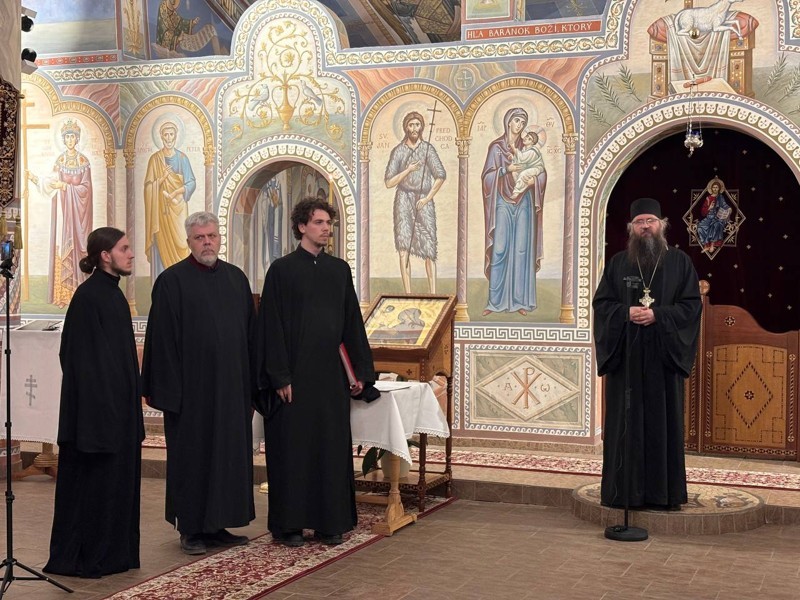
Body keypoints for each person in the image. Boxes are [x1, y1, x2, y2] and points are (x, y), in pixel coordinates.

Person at [257, 198, 375, 548]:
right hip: (294, 380)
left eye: (329, 223)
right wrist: (279, 376)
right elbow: (271, 327)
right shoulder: (281, 270)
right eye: (319, 222)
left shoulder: (339, 270)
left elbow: (351, 322)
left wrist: (360, 372)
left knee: (330, 449)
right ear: (301, 226)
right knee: (292, 451)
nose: (326, 228)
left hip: (330, 380)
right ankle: (289, 525)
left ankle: (330, 522)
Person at [142, 211, 255, 555]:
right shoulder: (172, 281)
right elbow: (161, 341)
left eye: (212, 236)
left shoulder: (236, 279)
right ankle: (191, 528)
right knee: (193, 460)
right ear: (188, 241)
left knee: (226, 457)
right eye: (200, 238)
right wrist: (169, 393)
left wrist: (251, 386)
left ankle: (218, 524)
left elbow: (251, 336)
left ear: (220, 238)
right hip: (191, 394)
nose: (207, 243)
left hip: (231, 390)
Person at [44, 227, 143, 578]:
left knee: (116, 488)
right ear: (105, 255)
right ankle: (88, 557)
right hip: (97, 420)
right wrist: (105, 415)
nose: (131, 254)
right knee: (95, 489)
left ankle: (114, 555)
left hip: (117, 415)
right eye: (124, 248)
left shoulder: (112, 294)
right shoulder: (88, 297)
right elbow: (81, 362)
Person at [592, 197, 702, 511]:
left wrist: (658, 315)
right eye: (639, 222)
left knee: (661, 426)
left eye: (650, 221)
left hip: (662, 359)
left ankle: (662, 495)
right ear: (631, 228)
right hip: (626, 359)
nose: (645, 227)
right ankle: (623, 494)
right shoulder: (617, 264)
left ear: (661, 225)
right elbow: (602, 305)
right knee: (625, 425)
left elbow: (691, 306)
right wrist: (626, 312)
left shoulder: (680, 262)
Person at [481, 107, 546, 316]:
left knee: (521, 250)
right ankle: (495, 302)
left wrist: (535, 180)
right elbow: (486, 177)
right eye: (517, 120)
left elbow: (541, 172)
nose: (520, 125)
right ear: (508, 121)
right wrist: (504, 170)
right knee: (499, 248)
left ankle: (520, 301)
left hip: (524, 200)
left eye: (523, 122)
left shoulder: (528, 147)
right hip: (502, 200)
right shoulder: (496, 148)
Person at [28, 118, 93, 308]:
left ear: (77, 139)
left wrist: (66, 186)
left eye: (73, 136)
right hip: (65, 213)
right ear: (63, 140)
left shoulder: (84, 162)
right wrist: (34, 179)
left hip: (80, 216)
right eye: (67, 137)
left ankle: (81, 293)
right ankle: (64, 295)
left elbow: (86, 189)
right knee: (63, 248)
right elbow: (50, 182)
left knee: (80, 248)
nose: (70, 140)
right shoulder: (60, 161)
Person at [384, 111, 447, 293]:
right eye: (411, 125)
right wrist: (408, 171)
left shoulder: (427, 149)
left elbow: (440, 175)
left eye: (417, 125)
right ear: (405, 127)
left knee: (429, 248)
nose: (414, 129)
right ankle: (408, 294)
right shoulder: (398, 151)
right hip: (403, 200)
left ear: (421, 127)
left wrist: (427, 198)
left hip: (423, 200)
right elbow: (389, 182)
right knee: (403, 246)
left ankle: (433, 293)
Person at [143, 120, 197, 280]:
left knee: (182, 244)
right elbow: (148, 187)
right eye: (165, 135)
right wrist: (162, 178)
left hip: (178, 210)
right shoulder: (155, 159)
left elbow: (191, 182)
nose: (168, 138)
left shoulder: (182, 158)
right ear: (161, 137)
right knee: (161, 247)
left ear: (175, 136)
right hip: (161, 214)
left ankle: (185, 281)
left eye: (171, 134)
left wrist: (176, 192)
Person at [696, 179, 731, 252]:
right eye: (714, 187)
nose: (715, 189)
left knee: (715, 225)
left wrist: (729, 209)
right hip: (709, 217)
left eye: (716, 187)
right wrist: (709, 208)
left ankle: (712, 244)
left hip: (718, 217)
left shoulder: (720, 197)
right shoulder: (708, 198)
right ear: (711, 188)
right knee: (700, 227)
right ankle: (706, 245)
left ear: (719, 189)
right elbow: (703, 212)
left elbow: (725, 205)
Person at [509, 131, 545, 201]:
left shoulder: (533, 151)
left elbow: (522, 158)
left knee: (523, 174)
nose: (526, 138)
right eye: (527, 136)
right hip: (528, 167)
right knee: (514, 172)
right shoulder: (524, 149)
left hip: (536, 168)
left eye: (529, 139)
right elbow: (519, 160)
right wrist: (513, 158)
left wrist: (513, 148)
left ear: (532, 143)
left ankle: (516, 192)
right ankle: (522, 188)